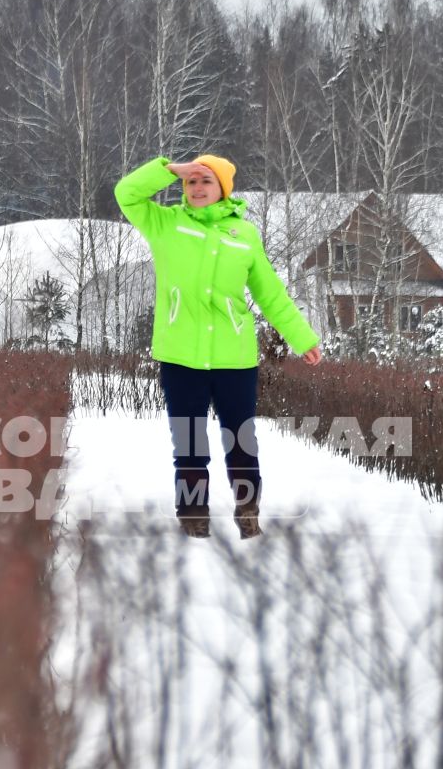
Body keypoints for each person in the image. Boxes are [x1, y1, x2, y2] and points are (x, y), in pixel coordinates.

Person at [114, 153, 322, 539]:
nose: (196, 188)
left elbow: (271, 293)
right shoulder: (166, 224)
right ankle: (193, 521)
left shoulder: (244, 236)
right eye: (191, 182)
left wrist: (301, 337)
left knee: (241, 440)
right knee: (189, 443)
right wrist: (168, 170)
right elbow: (126, 194)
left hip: (234, 358)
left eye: (205, 181)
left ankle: (249, 514)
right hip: (180, 358)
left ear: (223, 188)